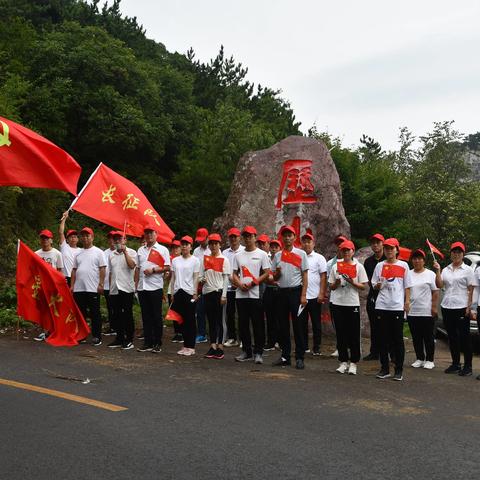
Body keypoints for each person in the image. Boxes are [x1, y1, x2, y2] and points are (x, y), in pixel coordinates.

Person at [434, 242, 475, 377]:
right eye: (454, 252)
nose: (456, 254)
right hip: (447, 306)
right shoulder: (446, 269)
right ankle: (456, 364)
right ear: (451, 253)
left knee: (464, 338)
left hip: (462, 307)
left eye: (459, 252)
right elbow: (439, 285)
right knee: (452, 337)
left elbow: (472, 290)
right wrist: (438, 271)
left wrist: (470, 308)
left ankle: (468, 366)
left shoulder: (468, 270)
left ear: (463, 254)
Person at [372, 237, 410, 381]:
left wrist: (406, 302)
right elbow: (374, 284)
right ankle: (384, 368)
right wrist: (378, 285)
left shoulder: (404, 266)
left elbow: (407, 286)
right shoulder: (379, 266)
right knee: (382, 339)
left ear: (396, 250)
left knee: (397, 339)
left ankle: (398, 370)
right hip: (382, 305)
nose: (389, 251)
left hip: (396, 306)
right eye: (387, 248)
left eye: (391, 248)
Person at [271, 225, 309, 369]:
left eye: (290, 235)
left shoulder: (301, 254)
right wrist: (277, 274)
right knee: (282, 326)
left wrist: (303, 295)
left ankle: (299, 357)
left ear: (294, 237)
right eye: (285, 235)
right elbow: (274, 277)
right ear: (282, 237)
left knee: (298, 326)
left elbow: (305, 275)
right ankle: (285, 356)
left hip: (296, 292)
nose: (287, 238)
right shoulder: (278, 255)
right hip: (281, 293)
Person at [232, 226, 270, 364]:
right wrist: (239, 284)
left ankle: (258, 352)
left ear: (255, 237)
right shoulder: (238, 255)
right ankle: (246, 351)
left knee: (257, 324)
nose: (248, 239)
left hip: (256, 294)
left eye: (250, 236)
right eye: (245, 236)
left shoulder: (262, 254)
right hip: (241, 294)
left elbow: (266, 272)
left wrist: (254, 283)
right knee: (243, 324)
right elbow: (234, 273)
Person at [329, 240, 368, 375]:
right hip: (338, 303)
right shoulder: (336, 266)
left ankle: (354, 362)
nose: (346, 252)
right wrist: (337, 282)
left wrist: (353, 282)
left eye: (348, 250)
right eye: (344, 250)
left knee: (353, 334)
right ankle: (343, 361)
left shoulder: (358, 266)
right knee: (340, 333)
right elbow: (331, 287)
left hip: (352, 303)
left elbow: (363, 286)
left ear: (353, 251)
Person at [136, 228, 171, 353]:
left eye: (151, 233)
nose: (149, 235)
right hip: (142, 286)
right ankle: (148, 342)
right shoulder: (140, 250)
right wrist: (136, 285)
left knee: (156, 315)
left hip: (155, 286)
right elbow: (138, 268)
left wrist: (154, 270)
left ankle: (157, 342)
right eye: (147, 233)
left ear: (156, 234)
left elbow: (167, 267)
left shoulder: (162, 249)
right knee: (145, 315)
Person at [70, 227, 106, 346]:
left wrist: (101, 284)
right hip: (79, 288)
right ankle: (82, 335)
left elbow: (102, 268)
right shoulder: (78, 253)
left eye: (87, 236)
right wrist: (72, 285)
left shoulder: (98, 252)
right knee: (80, 313)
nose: (85, 238)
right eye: (83, 236)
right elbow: (74, 270)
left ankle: (96, 336)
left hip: (93, 288)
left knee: (95, 313)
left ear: (92, 237)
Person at [404, 249, 439, 369]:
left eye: (419, 258)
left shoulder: (430, 274)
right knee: (416, 337)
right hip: (413, 311)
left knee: (428, 337)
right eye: (414, 258)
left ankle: (430, 359)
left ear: (424, 261)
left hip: (427, 311)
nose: (417, 261)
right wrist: (406, 304)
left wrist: (434, 307)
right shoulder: (408, 273)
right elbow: (406, 290)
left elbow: (435, 292)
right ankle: (419, 358)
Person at [201, 234, 230, 359]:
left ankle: (220, 347)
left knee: (220, 320)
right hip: (207, 292)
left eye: (215, 243)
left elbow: (226, 279)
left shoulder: (224, 259)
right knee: (211, 320)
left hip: (219, 293)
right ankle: (212, 346)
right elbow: (201, 275)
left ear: (220, 244)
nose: (213, 246)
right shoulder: (206, 258)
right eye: (211, 243)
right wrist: (202, 279)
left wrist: (224, 295)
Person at [107, 231, 137, 350]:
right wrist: (110, 288)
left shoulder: (132, 252)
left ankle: (129, 339)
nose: (117, 241)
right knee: (117, 314)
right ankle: (119, 338)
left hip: (126, 288)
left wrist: (125, 252)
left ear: (125, 240)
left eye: (120, 239)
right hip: (115, 288)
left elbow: (132, 265)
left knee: (127, 314)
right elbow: (111, 272)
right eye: (115, 239)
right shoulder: (111, 255)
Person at [171, 236, 200, 356]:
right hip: (178, 291)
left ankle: (191, 346)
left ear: (191, 247)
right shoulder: (175, 260)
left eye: (187, 244)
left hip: (189, 292)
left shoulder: (195, 260)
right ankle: (185, 345)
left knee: (190, 320)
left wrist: (195, 292)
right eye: (182, 244)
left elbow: (196, 277)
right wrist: (172, 292)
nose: (184, 246)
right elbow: (173, 278)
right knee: (180, 320)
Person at [33, 229, 64, 341]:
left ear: (51, 240)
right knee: (43, 310)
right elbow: (33, 270)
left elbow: (60, 271)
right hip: (41, 286)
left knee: (54, 309)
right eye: (43, 238)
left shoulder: (57, 253)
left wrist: (59, 285)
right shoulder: (36, 254)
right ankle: (45, 332)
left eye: (47, 238)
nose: (45, 240)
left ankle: (55, 331)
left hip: (53, 286)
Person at [301, 232, 327, 355]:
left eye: (309, 241)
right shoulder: (299, 256)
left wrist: (321, 293)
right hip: (302, 295)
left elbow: (323, 277)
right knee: (302, 323)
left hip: (315, 296)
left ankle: (316, 347)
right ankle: (304, 346)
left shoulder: (319, 258)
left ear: (313, 243)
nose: (306, 244)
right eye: (304, 241)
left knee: (316, 323)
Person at [363, 233, 386, 361]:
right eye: (373, 243)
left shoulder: (388, 259)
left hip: (387, 296)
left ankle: (389, 352)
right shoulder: (368, 261)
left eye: (378, 242)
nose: (375, 245)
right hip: (373, 295)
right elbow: (368, 280)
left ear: (383, 243)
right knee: (374, 325)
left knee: (386, 326)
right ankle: (374, 351)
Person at [222, 227, 244, 347]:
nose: (233, 239)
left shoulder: (244, 250)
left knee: (242, 314)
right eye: (231, 237)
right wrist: (231, 279)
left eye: (235, 236)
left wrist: (239, 281)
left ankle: (243, 338)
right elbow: (224, 268)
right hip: (229, 287)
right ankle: (232, 337)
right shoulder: (225, 252)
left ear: (239, 237)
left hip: (242, 287)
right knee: (229, 313)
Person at [193, 227, 211, 343]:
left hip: (211, 284)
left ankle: (216, 334)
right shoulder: (196, 251)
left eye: (202, 239)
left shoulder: (212, 250)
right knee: (199, 310)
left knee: (212, 311)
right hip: (199, 283)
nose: (200, 242)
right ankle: (201, 333)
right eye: (199, 240)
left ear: (207, 238)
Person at [263, 239, 281, 350]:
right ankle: (271, 341)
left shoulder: (283, 258)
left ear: (279, 248)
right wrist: (272, 280)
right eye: (272, 247)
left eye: (276, 247)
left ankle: (279, 341)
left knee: (280, 317)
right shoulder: (266, 259)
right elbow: (265, 276)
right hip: (269, 290)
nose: (274, 249)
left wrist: (274, 280)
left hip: (279, 291)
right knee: (269, 317)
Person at [58, 211, 82, 285]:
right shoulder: (64, 247)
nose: (73, 238)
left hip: (76, 278)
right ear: (67, 240)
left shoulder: (81, 251)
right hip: (64, 277)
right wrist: (64, 218)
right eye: (71, 237)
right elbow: (61, 232)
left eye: (75, 237)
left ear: (78, 239)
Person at [167, 240, 183, 343]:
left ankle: (182, 332)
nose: (175, 250)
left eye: (177, 248)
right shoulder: (170, 261)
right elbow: (168, 278)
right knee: (173, 311)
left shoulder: (183, 260)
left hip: (181, 289)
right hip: (171, 288)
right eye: (173, 248)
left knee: (181, 311)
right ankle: (177, 332)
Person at [103, 231, 117, 336]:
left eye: (113, 238)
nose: (111, 240)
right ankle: (112, 326)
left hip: (118, 285)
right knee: (110, 306)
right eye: (110, 238)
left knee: (118, 306)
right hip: (107, 284)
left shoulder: (120, 252)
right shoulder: (104, 253)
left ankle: (120, 326)